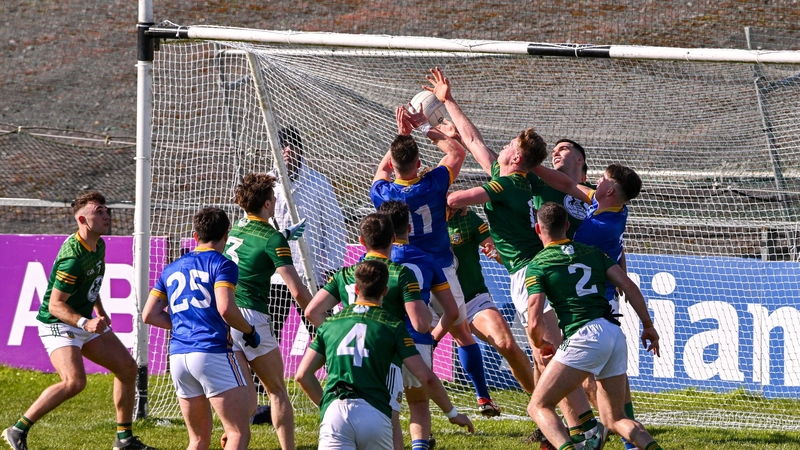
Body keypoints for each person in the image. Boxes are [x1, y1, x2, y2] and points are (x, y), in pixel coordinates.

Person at [371, 102, 495, 433]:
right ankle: (482, 396)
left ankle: (395, 390)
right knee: (458, 324)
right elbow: (456, 152)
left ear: (396, 165)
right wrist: (424, 127)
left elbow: (381, 173)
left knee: (399, 329)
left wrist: (400, 136)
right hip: (438, 266)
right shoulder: (434, 183)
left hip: (398, 267)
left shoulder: (384, 193)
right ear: (420, 164)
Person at [2, 191, 156, 450]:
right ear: (83, 220)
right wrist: (85, 323)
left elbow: (91, 284)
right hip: (58, 323)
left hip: (84, 320)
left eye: (106, 211)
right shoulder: (72, 257)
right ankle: (17, 430)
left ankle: (124, 439)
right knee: (74, 382)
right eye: (99, 212)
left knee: (127, 368)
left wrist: (100, 310)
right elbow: (55, 304)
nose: (107, 215)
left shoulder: (99, 244)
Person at [525, 202, 662, 450]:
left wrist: (538, 342)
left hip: (584, 335)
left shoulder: (538, 264)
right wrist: (648, 325)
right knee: (616, 418)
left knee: (538, 406)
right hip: (613, 332)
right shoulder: (593, 253)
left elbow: (534, 319)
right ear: (567, 226)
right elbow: (629, 286)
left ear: (538, 229)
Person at [296, 260, 473, 450]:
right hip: (374, 415)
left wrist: (326, 407)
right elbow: (427, 378)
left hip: (335, 415)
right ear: (385, 291)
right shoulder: (393, 326)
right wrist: (452, 413)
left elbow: (302, 376)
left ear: (356, 289)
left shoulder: (330, 325)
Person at [305, 213, 430, 450]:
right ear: (394, 238)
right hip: (383, 358)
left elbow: (312, 311)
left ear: (361, 241)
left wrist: (335, 333)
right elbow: (420, 324)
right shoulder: (399, 273)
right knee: (388, 419)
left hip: (346, 357)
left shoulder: (345, 274)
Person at [143, 207, 260, 450]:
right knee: (237, 432)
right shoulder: (223, 264)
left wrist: (185, 325)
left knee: (197, 440)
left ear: (195, 236)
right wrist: (248, 331)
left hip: (178, 357)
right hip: (212, 353)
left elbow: (149, 314)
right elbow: (226, 308)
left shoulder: (171, 268)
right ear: (226, 236)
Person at [223, 173, 314, 450]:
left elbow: (255, 244)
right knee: (277, 391)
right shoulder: (272, 238)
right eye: (273, 198)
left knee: (247, 399)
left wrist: (283, 235)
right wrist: (319, 317)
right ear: (266, 203)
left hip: (226, 315)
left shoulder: (237, 227)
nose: (275, 202)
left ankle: (230, 440)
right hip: (252, 317)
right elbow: (296, 290)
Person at [446, 205, 536, 395]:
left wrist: (494, 253)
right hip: (432, 304)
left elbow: (500, 256)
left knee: (507, 345)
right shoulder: (417, 221)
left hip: (472, 299)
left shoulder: (467, 218)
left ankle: (541, 406)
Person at [269, 125, 346, 342]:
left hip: (311, 273)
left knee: (323, 336)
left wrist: (332, 265)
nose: (289, 150)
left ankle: (335, 374)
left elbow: (334, 226)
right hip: (274, 276)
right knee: (267, 339)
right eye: (283, 145)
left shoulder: (318, 182)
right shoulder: (266, 184)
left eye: (293, 145)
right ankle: (260, 378)